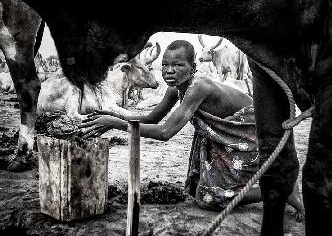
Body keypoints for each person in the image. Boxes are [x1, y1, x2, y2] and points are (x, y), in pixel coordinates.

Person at [80, 40, 304, 218]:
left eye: (178, 65)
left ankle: (280, 190)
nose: (169, 71)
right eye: (165, 65)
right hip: (227, 135)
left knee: (211, 199)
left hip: (249, 131)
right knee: (198, 189)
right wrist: (112, 116)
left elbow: (166, 133)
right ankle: (279, 186)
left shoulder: (198, 87)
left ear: (193, 68)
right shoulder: (175, 89)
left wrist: (116, 124)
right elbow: (151, 117)